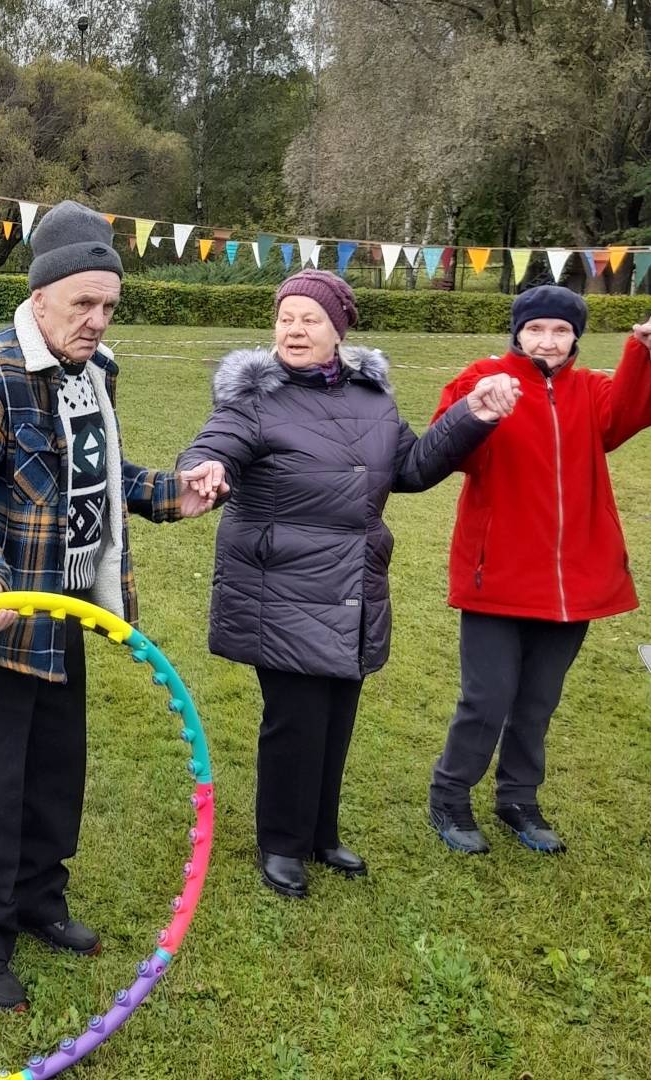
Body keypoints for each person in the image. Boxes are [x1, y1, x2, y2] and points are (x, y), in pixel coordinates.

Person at [0, 200, 209, 1011]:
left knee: (54, 773)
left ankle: (38, 900)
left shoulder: (95, 371)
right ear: (39, 296)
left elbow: (102, 477)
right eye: (82, 303)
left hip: (71, 608)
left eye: (109, 305)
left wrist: (172, 495)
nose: (96, 320)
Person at [178, 269, 520, 899]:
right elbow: (215, 443)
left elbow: (411, 469)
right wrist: (206, 468)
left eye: (310, 318)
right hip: (279, 585)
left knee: (336, 713)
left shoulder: (372, 398)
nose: (294, 329)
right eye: (285, 317)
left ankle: (319, 833)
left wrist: (470, 416)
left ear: (338, 330)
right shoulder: (255, 400)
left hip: (353, 584)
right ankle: (281, 844)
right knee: (295, 719)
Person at [428, 287, 651, 855]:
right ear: (517, 333)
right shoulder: (484, 375)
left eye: (560, 331)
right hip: (496, 577)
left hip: (574, 580)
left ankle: (518, 799)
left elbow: (622, 418)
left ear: (576, 337)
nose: (547, 342)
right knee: (488, 697)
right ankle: (450, 796)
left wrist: (642, 352)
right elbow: (445, 450)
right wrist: (478, 409)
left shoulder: (591, 389)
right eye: (535, 330)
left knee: (537, 701)